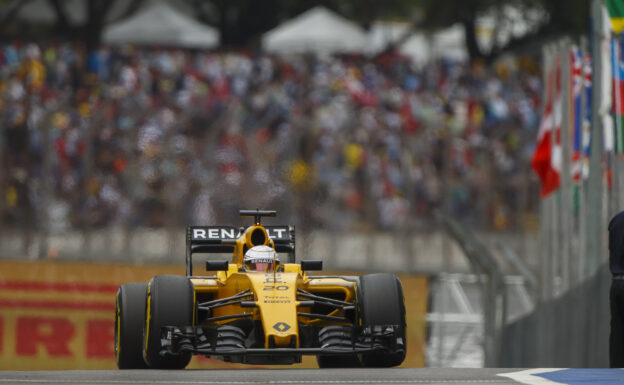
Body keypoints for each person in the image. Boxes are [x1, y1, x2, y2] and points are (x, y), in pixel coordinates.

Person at [608, 210, 624, 367]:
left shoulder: (615, 221)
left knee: (617, 332)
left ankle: (615, 372)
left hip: (616, 283)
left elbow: (610, 252)